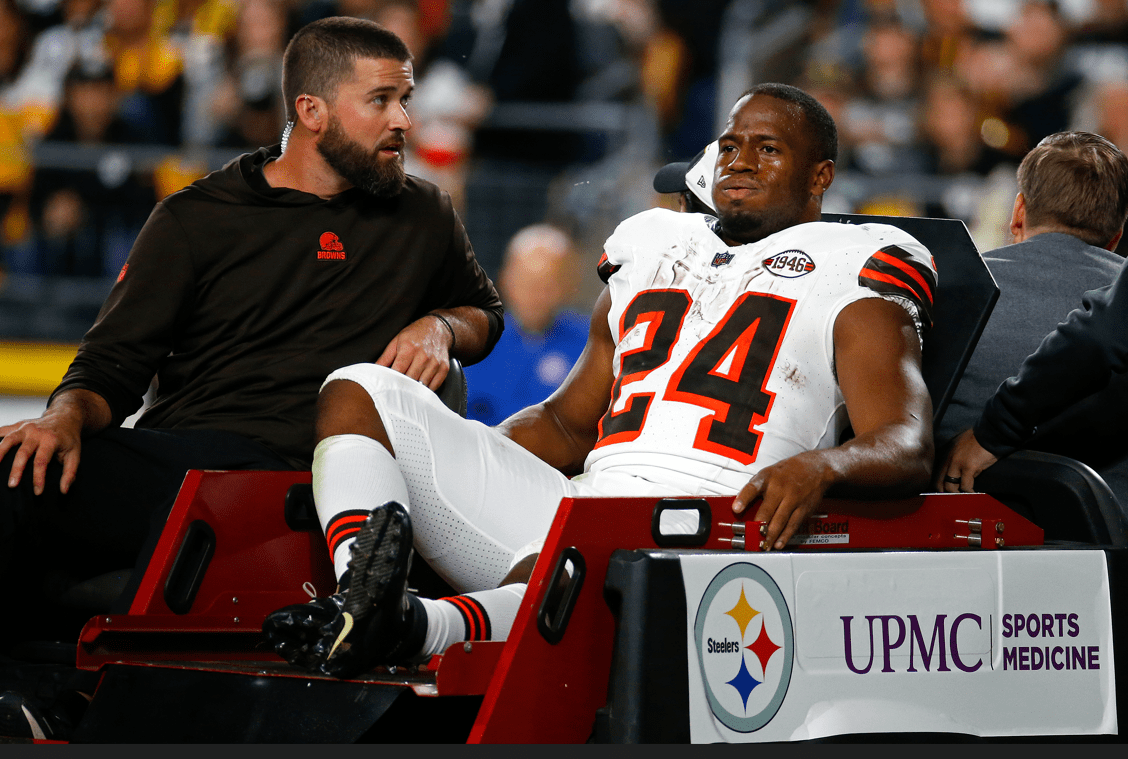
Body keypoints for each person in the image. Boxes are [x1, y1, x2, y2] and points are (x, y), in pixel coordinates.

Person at [264, 83, 937, 678]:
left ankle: (413, 625)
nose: (740, 161)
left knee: (563, 564)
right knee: (362, 389)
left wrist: (823, 466)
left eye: (768, 149)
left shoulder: (855, 265)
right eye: (731, 146)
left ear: (821, 175)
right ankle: (359, 596)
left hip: (705, 523)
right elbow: (565, 423)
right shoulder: (654, 243)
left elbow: (905, 439)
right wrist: (468, 459)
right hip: (586, 497)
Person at [0, 17, 503, 645]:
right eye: (381, 100)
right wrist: (62, 419)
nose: (404, 120)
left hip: (304, 480)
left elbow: (485, 313)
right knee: (18, 465)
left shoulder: (424, 212)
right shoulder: (194, 217)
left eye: (406, 98)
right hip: (188, 461)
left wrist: (441, 327)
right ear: (312, 111)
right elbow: (110, 366)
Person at [937, 133, 1128, 496]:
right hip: (1108, 525)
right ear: (1116, 236)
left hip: (958, 520)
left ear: (1018, 213)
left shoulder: (942, 287)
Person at [463, 224, 589, 427]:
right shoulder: (476, 342)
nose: (536, 296)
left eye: (547, 285)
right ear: (505, 280)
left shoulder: (590, 342)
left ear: (569, 285)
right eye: (527, 283)